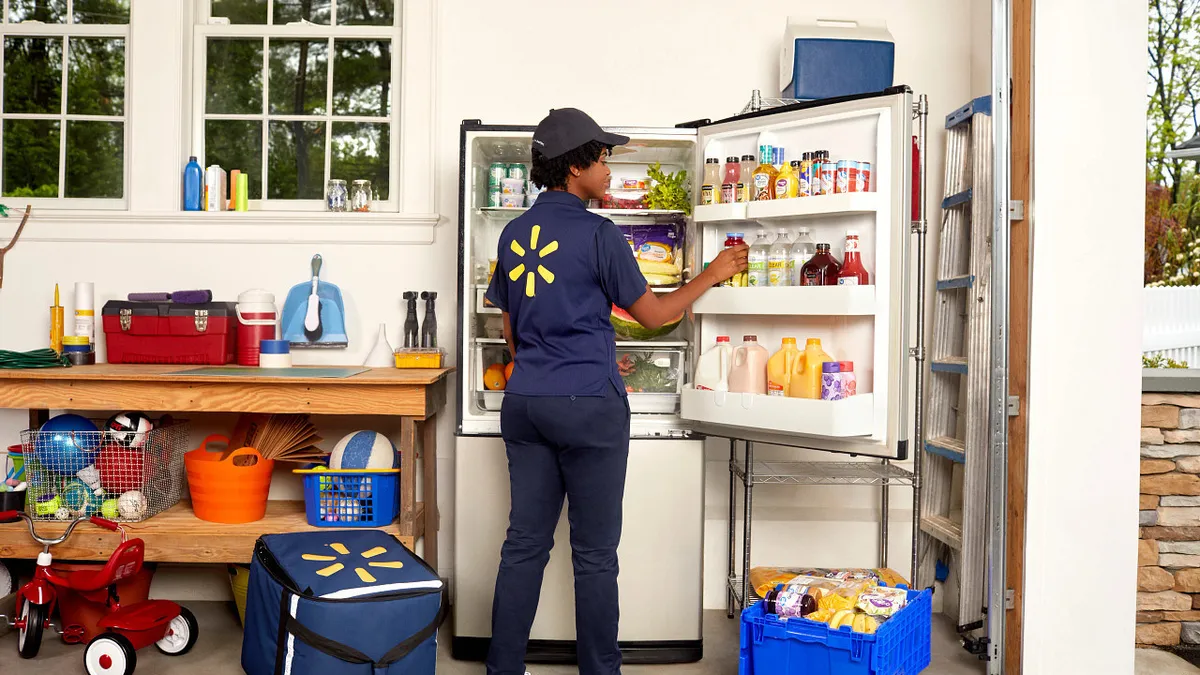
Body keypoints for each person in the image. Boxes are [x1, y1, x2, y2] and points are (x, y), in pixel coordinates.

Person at [484, 108, 748, 675]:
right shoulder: (600, 233)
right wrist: (711, 273)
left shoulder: (512, 233)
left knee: (523, 547)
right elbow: (652, 315)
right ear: (575, 165)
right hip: (589, 406)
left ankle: (502, 669)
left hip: (525, 402)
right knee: (595, 556)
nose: (608, 170)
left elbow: (511, 330)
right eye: (603, 159)